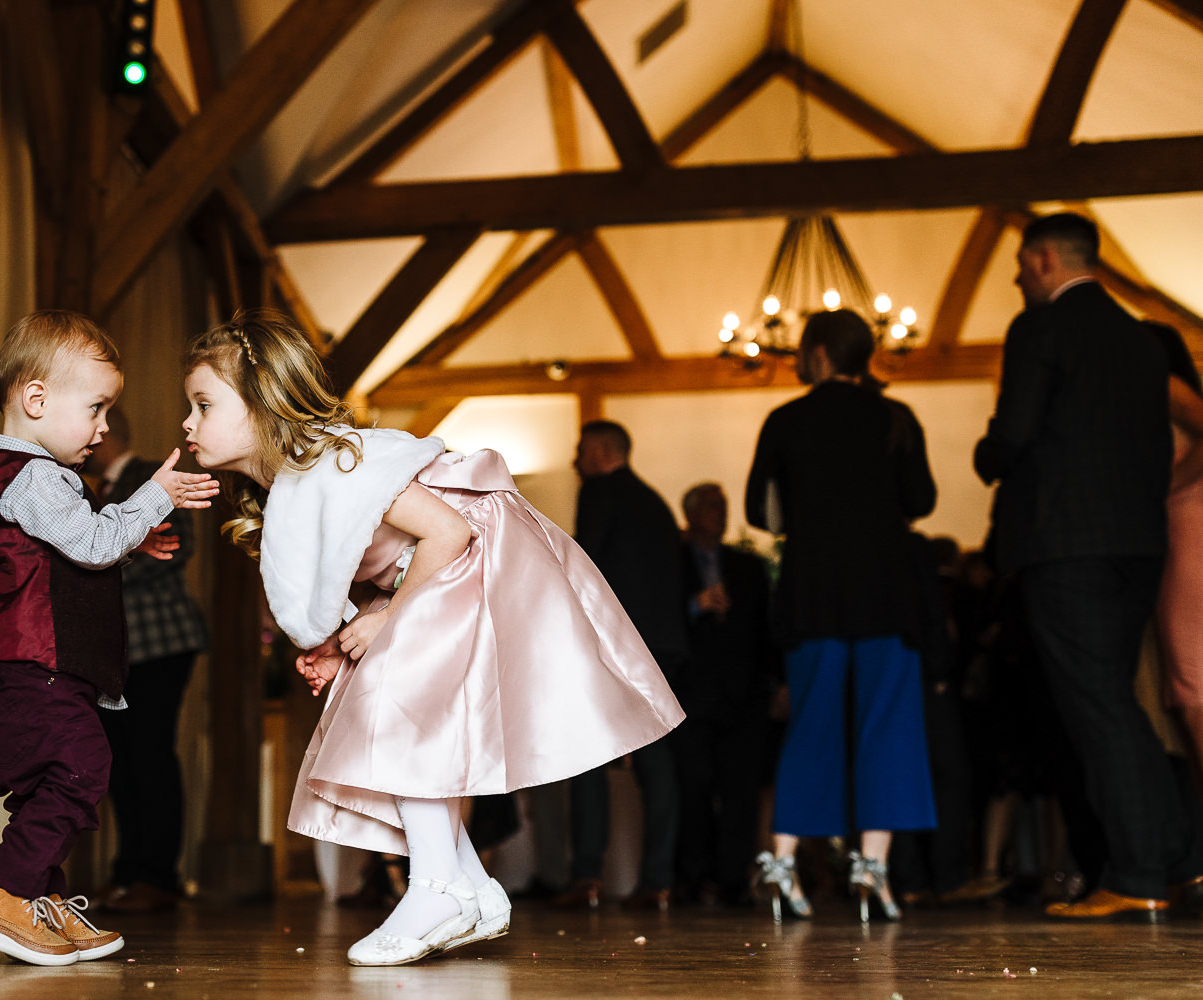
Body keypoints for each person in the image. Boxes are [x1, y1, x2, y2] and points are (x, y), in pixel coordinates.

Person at [180, 310, 683, 966]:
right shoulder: (290, 490)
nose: (188, 422)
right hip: (441, 571)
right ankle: (470, 889)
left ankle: (437, 888)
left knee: (397, 700)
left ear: (262, 401)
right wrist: (343, 641)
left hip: (484, 556)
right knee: (376, 698)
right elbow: (370, 567)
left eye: (203, 404)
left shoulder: (336, 464)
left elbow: (449, 533)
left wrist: (386, 619)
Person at [0, 310, 218, 965]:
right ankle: (3, 894)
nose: (104, 427)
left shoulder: (27, 479)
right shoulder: (37, 476)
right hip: (28, 675)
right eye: (96, 408)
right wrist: (153, 496)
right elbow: (93, 544)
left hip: (26, 677)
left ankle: (38, 899)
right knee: (81, 770)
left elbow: (65, 561)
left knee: (57, 787)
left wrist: (129, 543)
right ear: (36, 399)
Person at [975, 213, 1192, 921]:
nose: (1015, 277)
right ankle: (1179, 861)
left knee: (1099, 710)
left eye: (1019, 263)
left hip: (1066, 542)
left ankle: (1136, 873)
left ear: (1042, 259)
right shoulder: (1141, 337)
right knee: (1119, 705)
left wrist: (988, 458)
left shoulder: (1039, 329)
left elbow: (1013, 432)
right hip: (1136, 540)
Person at [745, 309, 938, 924]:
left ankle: (781, 862)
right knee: (888, 726)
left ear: (821, 354)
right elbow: (923, 501)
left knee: (813, 724)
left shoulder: (784, 420)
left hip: (812, 593)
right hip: (886, 591)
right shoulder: (894, 417)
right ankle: (872, 870)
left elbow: (758, 510)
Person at [553, 421, 689, 911]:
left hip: (618, 645)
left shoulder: (600, 492)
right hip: (663, 647)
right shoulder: (656, 503)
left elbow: (585, 566)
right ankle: (659, 880)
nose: (574, 460)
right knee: (658, 766)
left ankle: (587, 875)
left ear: (603, 450)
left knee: (589, 757)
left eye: (580, 449)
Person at [86, 408, 210, 911]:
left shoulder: (152, 475)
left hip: (160, 642)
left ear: (106, 431)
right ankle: (129, 870)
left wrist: (94, 571)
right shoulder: (86, 487)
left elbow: (176, 547)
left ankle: (158, 877)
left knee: (151, 755)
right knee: (118, 761)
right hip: (115, 652)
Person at [672, 483, 780, 906]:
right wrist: (696, 606)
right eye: (712, 506)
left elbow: (765, 629)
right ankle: (694, 876)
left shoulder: (747, 565)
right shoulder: (673, 563)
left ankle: (733, 878)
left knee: (741, 791)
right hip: (691, 695)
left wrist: (775, 683)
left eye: (723, 505)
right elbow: (660, 620)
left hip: (744, 694)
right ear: (692, 514)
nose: (720, 512)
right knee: (693, 787)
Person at [1147, 321, 1203, 772]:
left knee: (1192, 683)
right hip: (1179, 533)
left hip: (1188, 529)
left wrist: (1168, 487)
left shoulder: (1165, 386)